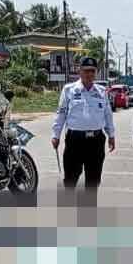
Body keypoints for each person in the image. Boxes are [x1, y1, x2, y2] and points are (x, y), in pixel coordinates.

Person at [51, 57, 116, 193]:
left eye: (92, 71)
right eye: (86, 71)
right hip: (75, 141)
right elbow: (61, 113)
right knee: (70, 179)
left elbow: (107, 114)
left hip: (96, 142)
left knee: (93, 182)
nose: (89, 74)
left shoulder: (102, 92)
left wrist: (111, 135)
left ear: (96, 72)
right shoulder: (69, 90)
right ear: (80, 71)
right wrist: (55, 135)